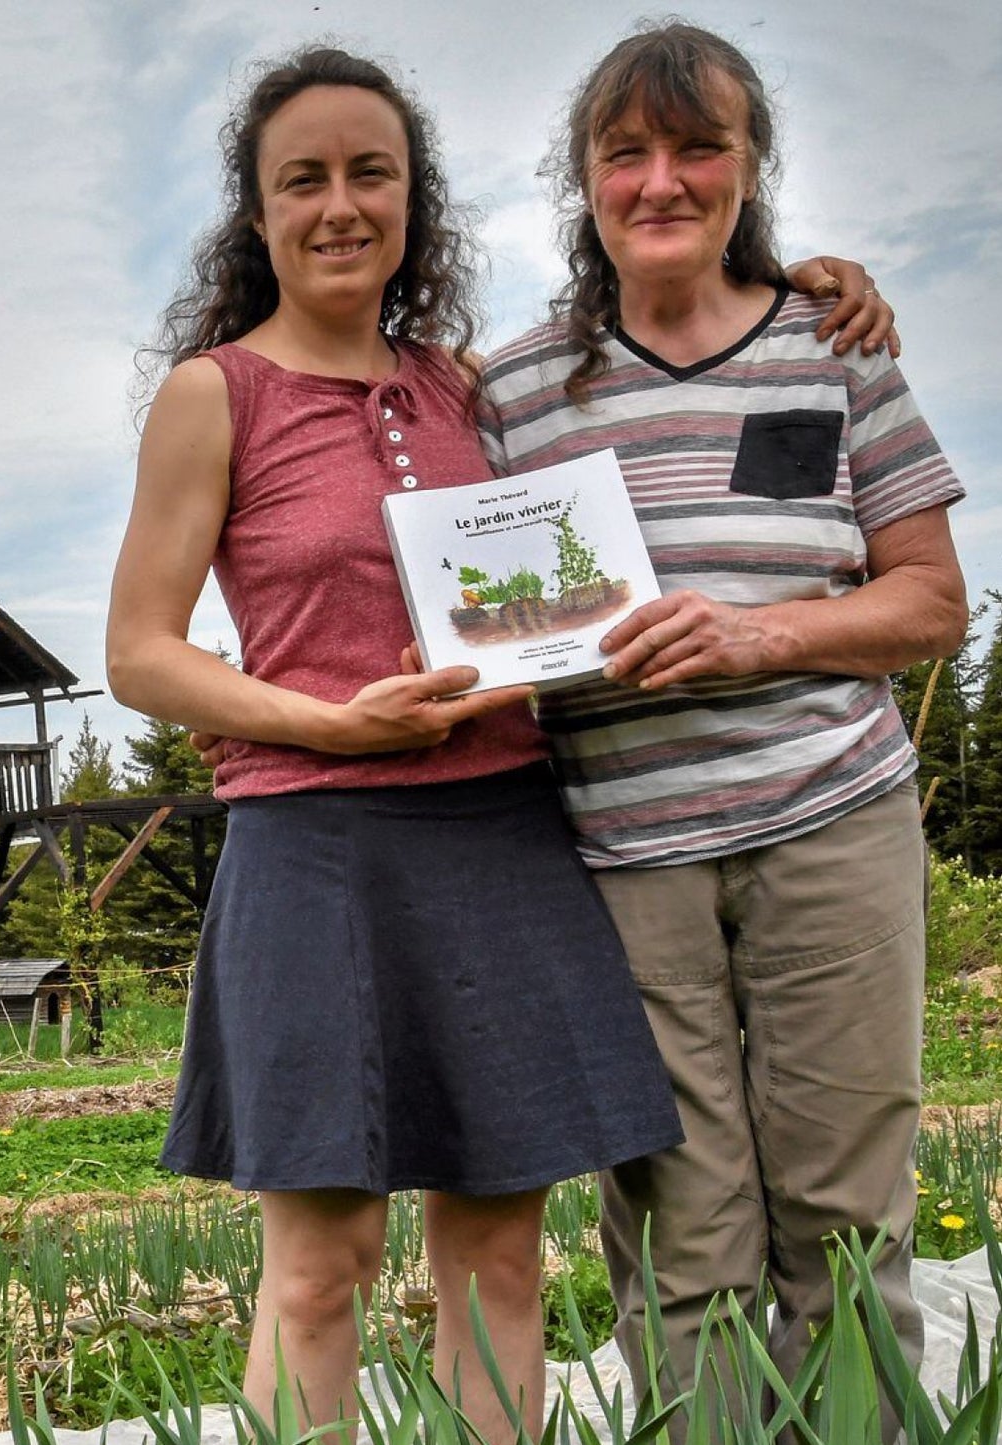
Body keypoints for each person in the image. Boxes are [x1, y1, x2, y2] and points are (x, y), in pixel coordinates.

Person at [111, 44, 892, 1442]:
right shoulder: (211, 395)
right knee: (321, 1268)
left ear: (416, 202)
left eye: (372, 173)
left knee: (498, 1259)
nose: (341, 204)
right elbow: (140, 656)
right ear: (256, 210)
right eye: (305, 179)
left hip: (503, 834)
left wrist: (809, 280)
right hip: (314, 848)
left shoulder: (475, 390)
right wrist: (324, 722)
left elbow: (649, 367)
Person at [481, 21, 966, 1440]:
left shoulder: (835, 347)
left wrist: (756, 632)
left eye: (699, 146)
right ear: (581, 179)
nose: (661, 180)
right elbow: (470, 602)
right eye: (623, 151)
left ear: (751, 166)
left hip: (830, 821)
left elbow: (929, 600)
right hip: (627, 855)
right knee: (678, 1229)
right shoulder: (514, 393)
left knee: (841, 1213)